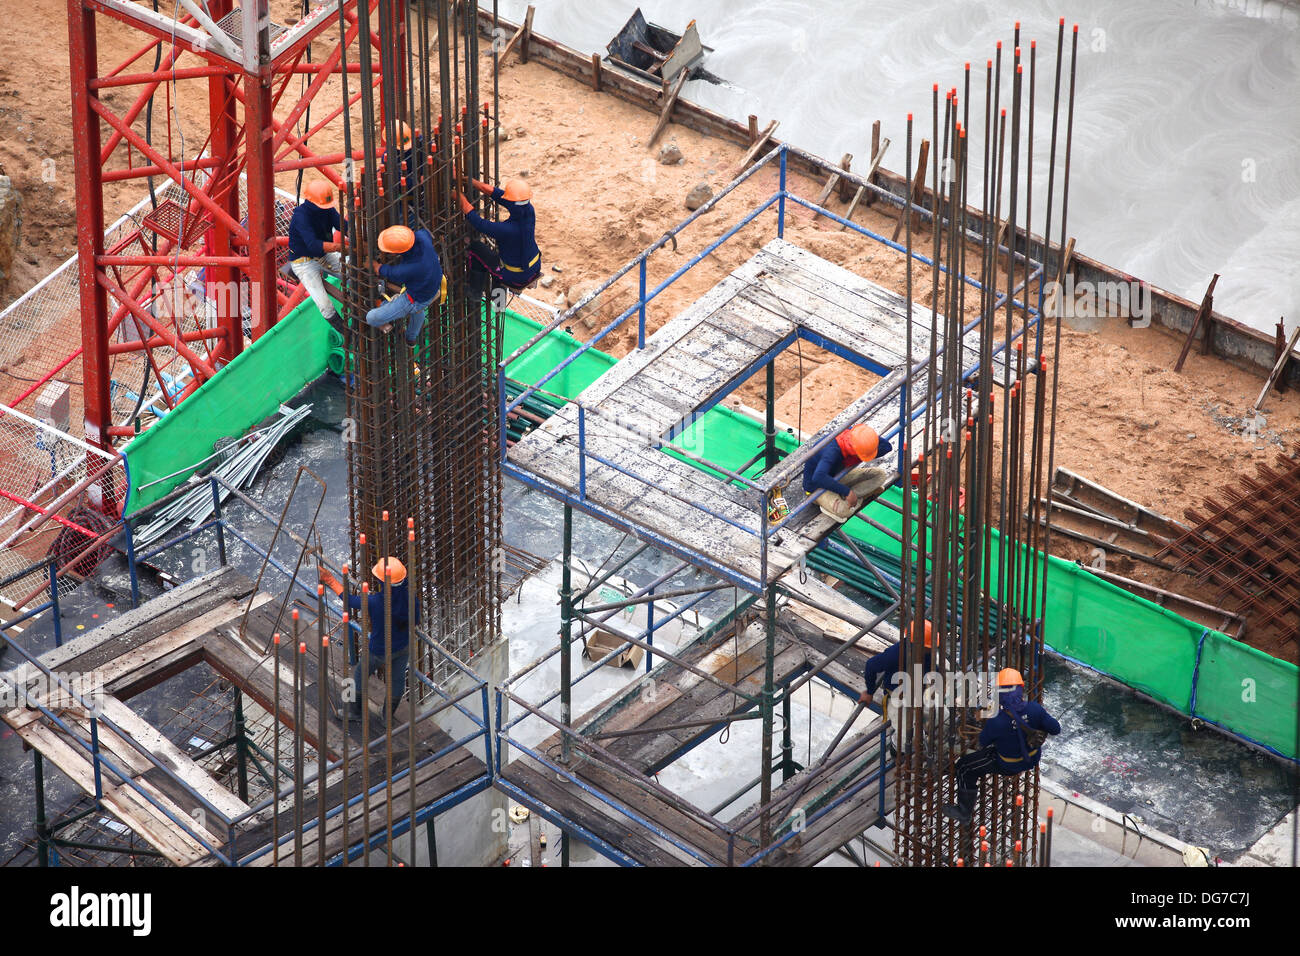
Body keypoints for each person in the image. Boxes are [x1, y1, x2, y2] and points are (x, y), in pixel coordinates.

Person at [942, 668, 1061, 825]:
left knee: (964, 767)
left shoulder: (997, 719)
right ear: (1021, 688)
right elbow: (1055, 729)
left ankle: (964, 812)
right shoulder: (1035, 709)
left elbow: (982, 742)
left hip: (1007, 764)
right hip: (1032, 758)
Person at [321, 557, 420, 721]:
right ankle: (387, 716)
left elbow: (350, 600)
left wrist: (330, 580)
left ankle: (355, 712)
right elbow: (415, 621)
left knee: (360, 674)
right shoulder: (411, 599)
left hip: (379, 651)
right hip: (403, 648)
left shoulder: (375, 602)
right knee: (397, 681)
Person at [459, 177, 541, 298]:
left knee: (476, 248)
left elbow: (478, 223)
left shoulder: (505, 230)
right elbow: (500, 195)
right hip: (533, 267)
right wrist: (468, 180)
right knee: (499, 257)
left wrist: (459, 197)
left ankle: (475, 291)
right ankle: (497, 298)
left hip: (516, 277)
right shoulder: (529, 210)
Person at [366, 224, 444, 348]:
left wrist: (372, 263)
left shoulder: (407, 269)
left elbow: (381, 270)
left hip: (415, 299)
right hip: (433, 285)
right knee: (419, 311)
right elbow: (424, 232)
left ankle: (389, 322)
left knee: (371, 317)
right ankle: (411, 339)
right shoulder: (422, 236)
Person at [802, 422, 894, 521]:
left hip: (837, 477)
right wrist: (847, 492)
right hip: (818, 487)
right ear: (854, 450)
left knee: (880, 475)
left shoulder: (855, 435)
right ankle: (851, 498)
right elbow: (819, 477)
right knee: (845, 511)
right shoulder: (831, 451)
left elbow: (887, 447)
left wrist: (868, 437)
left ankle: (849, 498)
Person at [288, 179, 345, 325]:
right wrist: (339, 247)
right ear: (311, 201)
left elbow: (343, 226)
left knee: (352, 273)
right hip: (303, 262)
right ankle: (347, 334)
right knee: (325, 305)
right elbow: (313, 245)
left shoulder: (326, 208)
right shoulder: (301, 216)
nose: (325, 208)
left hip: (323, 255)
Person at [857, 619, 934, 710]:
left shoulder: (926, 653)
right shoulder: (895, 654)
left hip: (919, 693)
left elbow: (931, 668)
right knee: (902, 721)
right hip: (897, 696)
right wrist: (869, 692)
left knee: (942, 715)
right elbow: (871, 665)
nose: (932, 649)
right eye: (929, 647)